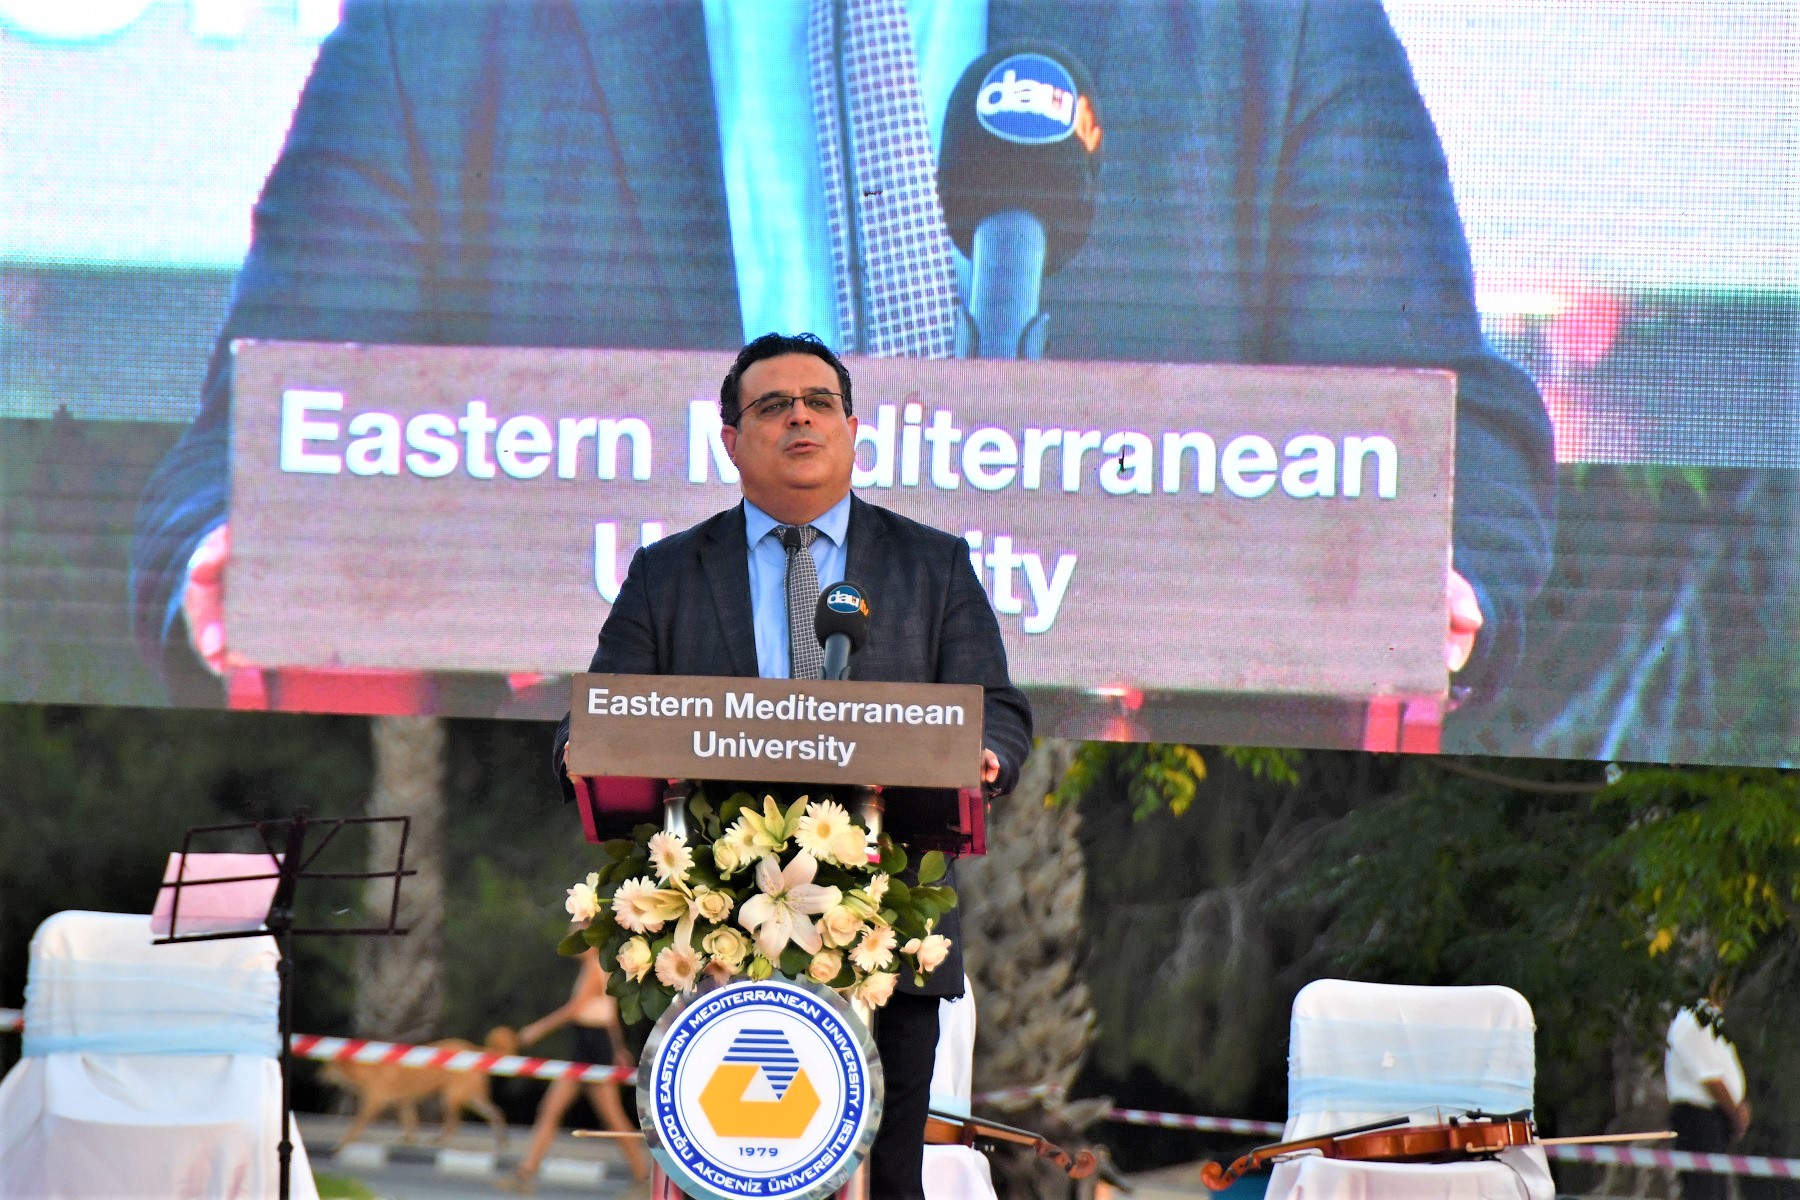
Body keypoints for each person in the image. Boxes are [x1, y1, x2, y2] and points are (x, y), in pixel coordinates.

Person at [130, 0, 1555, 710]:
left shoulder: (1265, 19)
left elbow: (1447, 434)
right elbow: (257, 438)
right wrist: (235, 546)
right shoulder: (459, 23)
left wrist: (1430, 576)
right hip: (623, 819)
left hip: (1083, 822)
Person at [553, 331, 1033, 1198]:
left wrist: (986, 755)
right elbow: (596, 719)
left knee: (888, 1184)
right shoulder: (668, 573)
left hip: (887, 932)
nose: (800, 418)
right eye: (773, 406)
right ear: (731, 440)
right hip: (712, 939)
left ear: (853, 430)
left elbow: (997, 710)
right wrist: (578, 751)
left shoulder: (932, 564)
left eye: (819, 403)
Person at [503, 948, 651, 1194]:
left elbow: (576, 1008)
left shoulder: (594, 967)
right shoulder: (597, 967)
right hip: (587, 1045)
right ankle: (525, 1174)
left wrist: (538, 1029)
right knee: (551, 1109)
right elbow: (609, 1013)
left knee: (612, 1116)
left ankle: (643, 1179)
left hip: (593, 1047)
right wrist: (618, 1048)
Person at [1664, 993, 1751, 1200]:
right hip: (1698, 1118)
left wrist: (1739, 1104)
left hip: (1716, 1119)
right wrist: (1735, 1112)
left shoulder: (1714, 1023)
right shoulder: (1692, 1020)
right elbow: (1709, 1078)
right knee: (1704, 1190)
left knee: (1717, 1190)